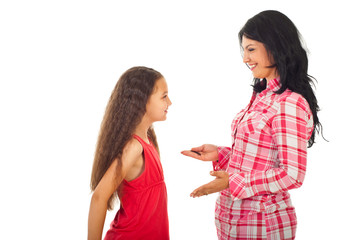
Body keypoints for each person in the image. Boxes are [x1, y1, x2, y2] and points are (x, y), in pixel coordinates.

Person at [182, 10, 322, 239]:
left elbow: (292, 174)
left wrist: (232, 181)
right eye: (244, 50)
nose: (245, 59)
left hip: (263, 224)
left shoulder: (290, 103)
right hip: (235, 221)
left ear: (276, 46)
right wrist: (221, 154)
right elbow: (261, 157)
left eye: (251, 49)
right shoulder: (263, 95)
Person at [88, 66, 172, 240]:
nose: (169, 102)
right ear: (141, 101)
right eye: (164, 96)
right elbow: (98, 197)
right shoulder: (133, 147)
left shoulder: (148, 140)